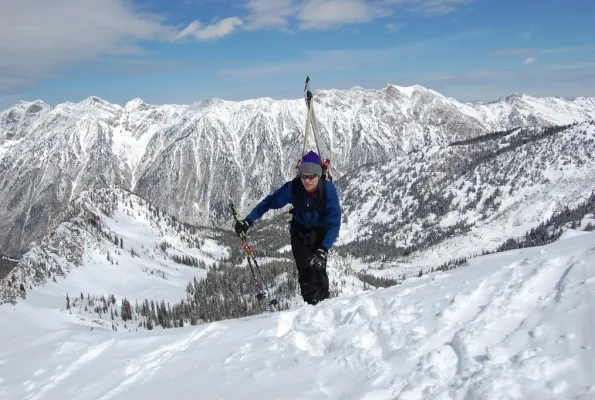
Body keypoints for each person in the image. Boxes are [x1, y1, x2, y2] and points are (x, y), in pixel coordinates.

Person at [234, 151, 341, 305]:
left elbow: (334, 223)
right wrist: (248, 221)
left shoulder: (328, 191)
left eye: (311, 177)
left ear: (318, 175)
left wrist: (323, 249)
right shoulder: (294, 188)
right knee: (306, 276)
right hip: (299, 233)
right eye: (303, 176)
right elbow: (269, 202)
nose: (307, 181)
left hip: (320, 235)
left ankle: (324, 309)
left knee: (319, 274)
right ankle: (312, 308)